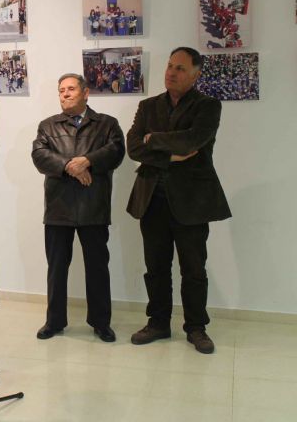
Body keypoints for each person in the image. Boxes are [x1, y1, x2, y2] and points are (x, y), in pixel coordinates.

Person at [126, 47, 231, 354]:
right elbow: (133, 147)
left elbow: (192, 140)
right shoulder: (148, 106)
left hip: (193, 201)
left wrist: (153, 139)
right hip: (151, 199)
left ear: (196, 75)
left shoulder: (208, 106)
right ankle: (158, 323)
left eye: (181, 68)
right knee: (155, 267)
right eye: (170, 65)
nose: (171, 72)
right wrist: (172, 154)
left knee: (194, 269)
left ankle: (196, 327)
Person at [32, 74, 125, 343]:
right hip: (58, 208)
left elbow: (117, 152)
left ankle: (101, 322)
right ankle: (54, 321)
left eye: (71, 89)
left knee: (97, 268)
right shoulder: (48, 126)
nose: (65, 94)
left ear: (86, 93)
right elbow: (39, 156)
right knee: (56, 268)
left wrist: (87, 161)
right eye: (61, 90)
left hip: (93, 205)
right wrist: (72, 167)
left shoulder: (107, 124)